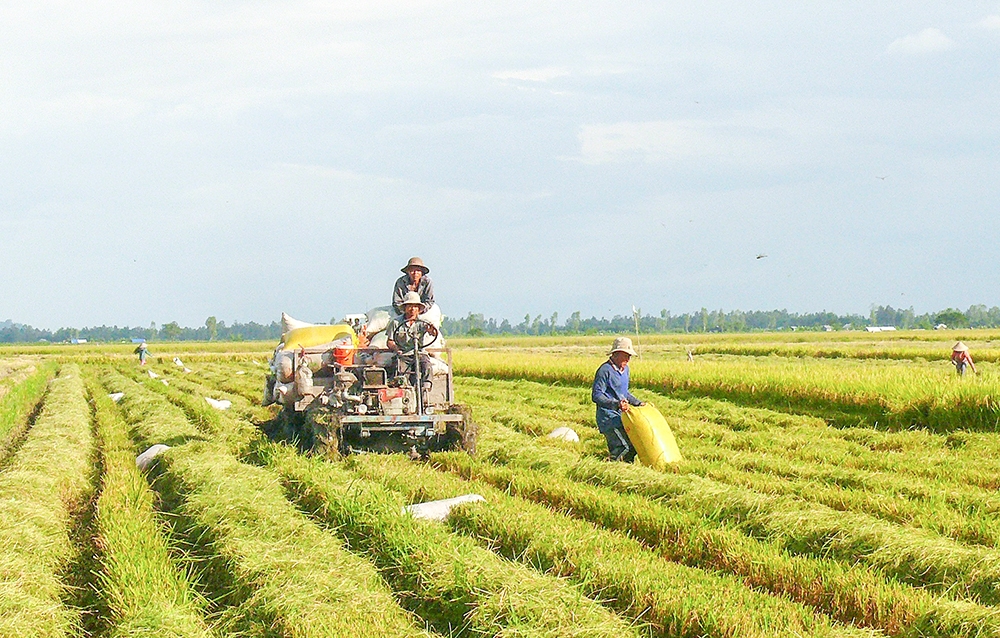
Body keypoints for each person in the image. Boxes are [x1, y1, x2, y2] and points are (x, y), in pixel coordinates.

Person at [592, 337, 644, 462]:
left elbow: (624, 393)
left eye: (629, 356)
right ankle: (609, 469)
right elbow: (597, 395)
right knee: (622, 447)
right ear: (616, 354)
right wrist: (616, 404)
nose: (628, 359)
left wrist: (638, 403)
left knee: (633, 447)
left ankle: (626, 472)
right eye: (626, 355)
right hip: (608, 418)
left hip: (621, 418)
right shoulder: (604, 371)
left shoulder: (625, 370)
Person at [386, 291, 439, 395]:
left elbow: (432, 332)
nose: (412, 309)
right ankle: (405, 391)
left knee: (427, 366)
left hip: (419, 353)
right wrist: (397, 349)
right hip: (404, 355)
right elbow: (390, 341)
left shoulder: (423, 322)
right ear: (405, 308)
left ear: (419, 309)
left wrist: (431, 329)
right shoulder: (396, 323)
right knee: (400, 371)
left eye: (415, 307)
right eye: (409, 306)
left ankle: (425, 389)